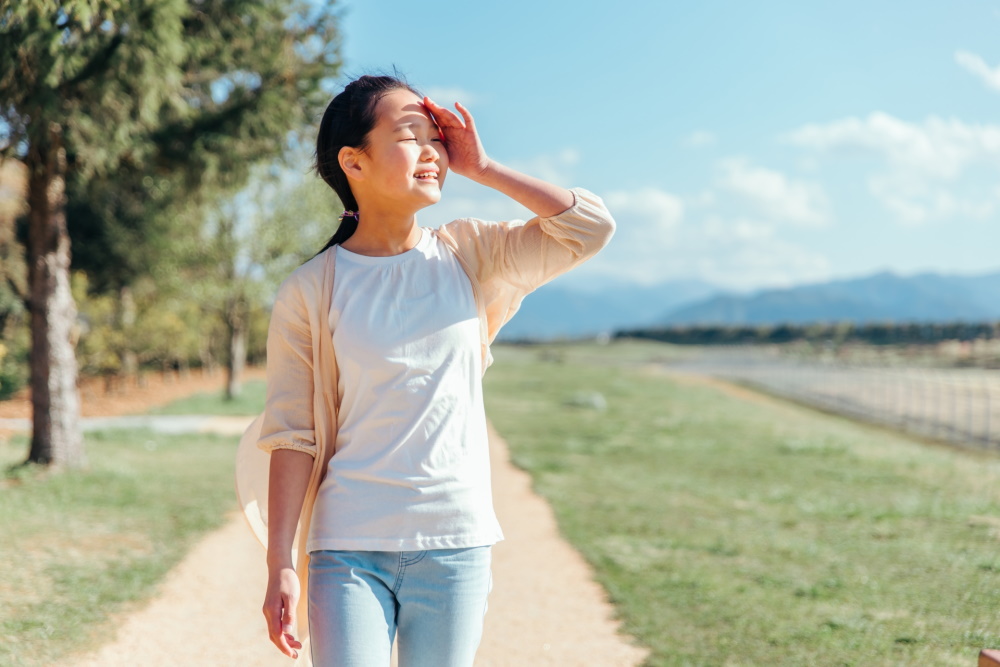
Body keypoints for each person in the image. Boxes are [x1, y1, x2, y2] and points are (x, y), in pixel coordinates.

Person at [254, 74, 616, 666]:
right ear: (354, 161)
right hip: (348, 547)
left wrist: (484, 167)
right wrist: (280, 567)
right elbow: (293, 434)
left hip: (455, 544)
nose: (433, 151)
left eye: (436, 138)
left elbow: (590, 228)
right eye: (410, 135)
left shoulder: (469, 254)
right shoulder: (311, 290)